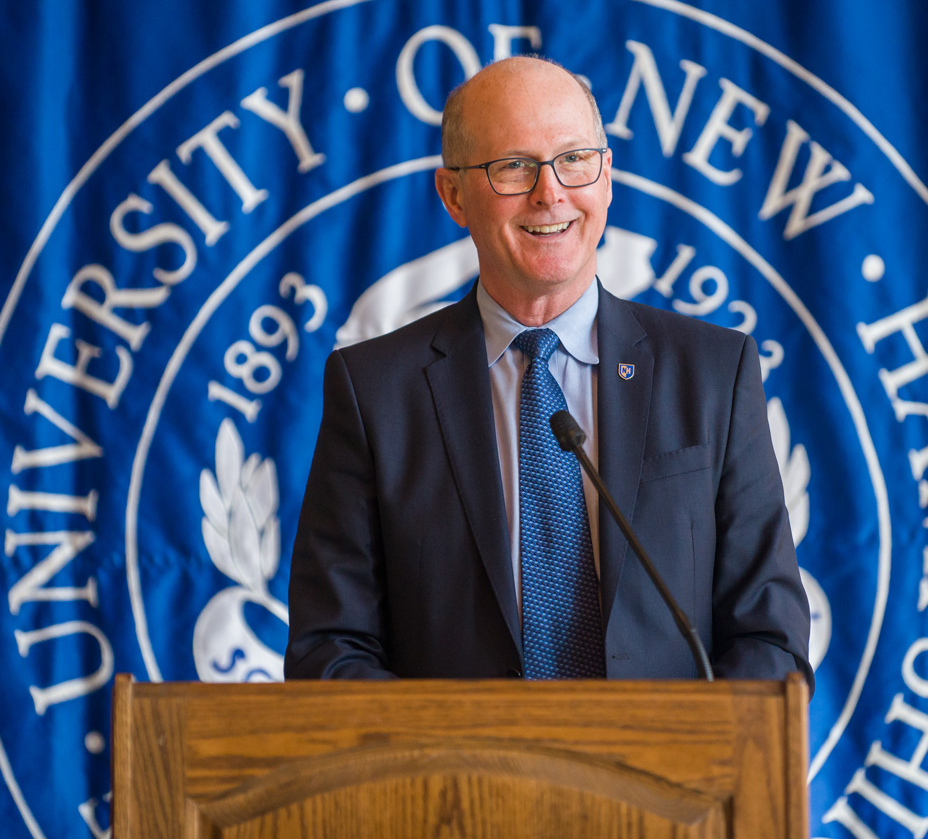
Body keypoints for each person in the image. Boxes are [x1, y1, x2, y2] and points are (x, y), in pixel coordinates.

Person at [284, 55, 812, 688]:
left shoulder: (714, 374)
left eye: (574, 159)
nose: (551, 191)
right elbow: (329, 653)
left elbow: (770, 641)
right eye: (513, 166)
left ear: (607, 177)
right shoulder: (374, 392)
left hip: (666, 781)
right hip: (454, 784)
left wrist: (688, 771)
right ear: (453, 195)